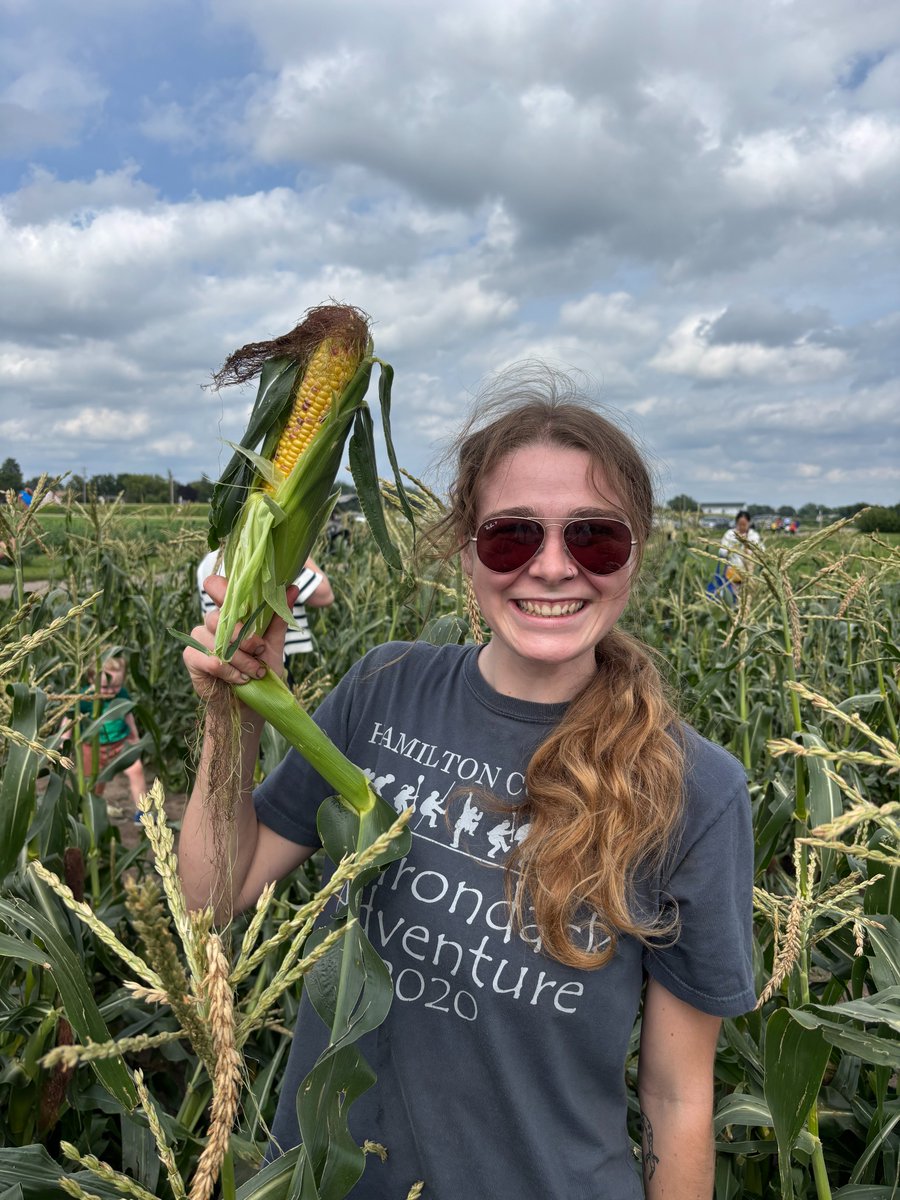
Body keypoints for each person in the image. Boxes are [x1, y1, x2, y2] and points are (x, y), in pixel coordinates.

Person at [179, 370, 755, 1199]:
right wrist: (230, 721)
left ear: (637, 553)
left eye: (594, 538)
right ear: (466, 547)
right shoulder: (386, 689)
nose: (553, 569)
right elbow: (209, 890)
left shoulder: (697, 789)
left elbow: (674, 1094)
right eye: (511, 538)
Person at [196, 549, 334, 683]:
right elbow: (325, 595)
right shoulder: (274, 555)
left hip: (226, 663)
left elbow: (208, 618)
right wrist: (303, 552)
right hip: (272, 662)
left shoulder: (205, 566)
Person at [66, 656, 147, 819]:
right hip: (91, 747)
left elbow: (128, 714)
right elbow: (69, 719)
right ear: (90, 679)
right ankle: (92, 809)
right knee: (95, 782)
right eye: (104, 687)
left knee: (136, 770)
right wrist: (63, 740)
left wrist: (134, 736)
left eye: (116, 686)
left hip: (120, 744)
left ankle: (143, 812)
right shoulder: (83, 697)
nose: (110, 691)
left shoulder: (122, 694)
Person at [718, 510, 763, 583]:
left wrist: (752, 552)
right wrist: (729, 550)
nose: (742, 527)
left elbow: (762, 551)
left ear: (749, 523)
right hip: (732, 574)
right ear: (736, 523)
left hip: (749, 574)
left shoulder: (754, 536)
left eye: (744, 524)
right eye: (740, 524)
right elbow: (721, 552)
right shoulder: (730, 534)